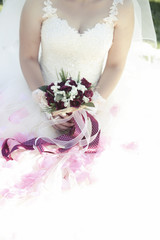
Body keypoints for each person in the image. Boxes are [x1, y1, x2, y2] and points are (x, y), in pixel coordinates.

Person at [0, 0, 160, 239]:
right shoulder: (37, 4)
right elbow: (28, 57)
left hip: (98, 101)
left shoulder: (122, 7)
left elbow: (115, 65)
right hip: (40, 95)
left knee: (97, 184)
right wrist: (47, 103)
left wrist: (90, 108)